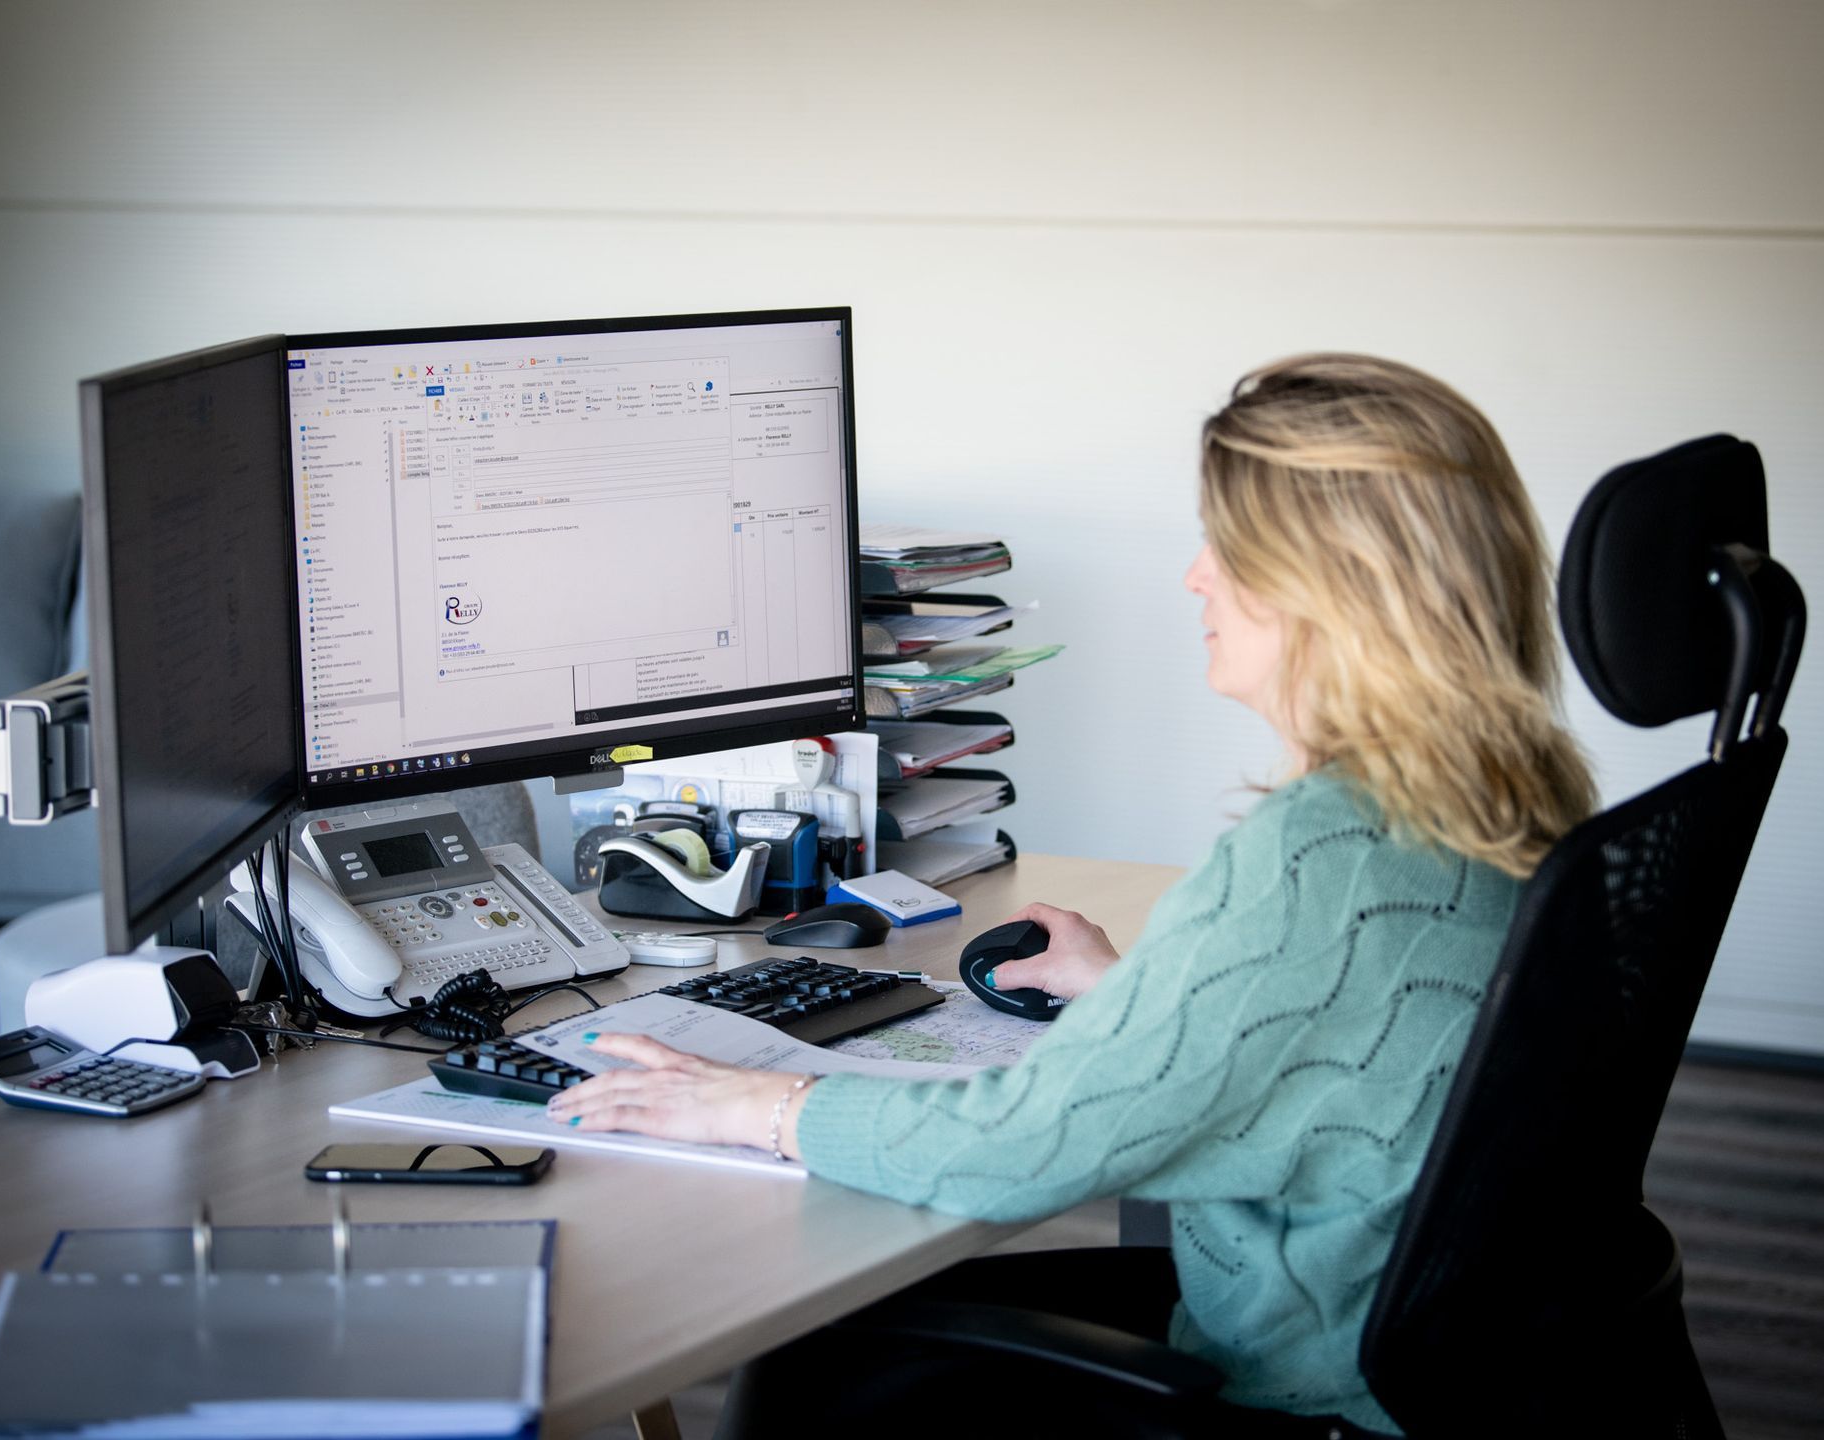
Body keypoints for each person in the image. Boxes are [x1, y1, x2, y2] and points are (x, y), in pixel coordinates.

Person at [547, 354, 1596, 1437]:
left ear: (1336, 582)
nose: (1198, 577)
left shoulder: (1321, 850)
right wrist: (1145, 992)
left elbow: (1024, 1148)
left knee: (805, 1366)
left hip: (1302, 1381)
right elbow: (1357, 1025)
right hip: (1429, 1351)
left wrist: (751, 1106)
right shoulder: (1512, 789)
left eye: (1229, 548)